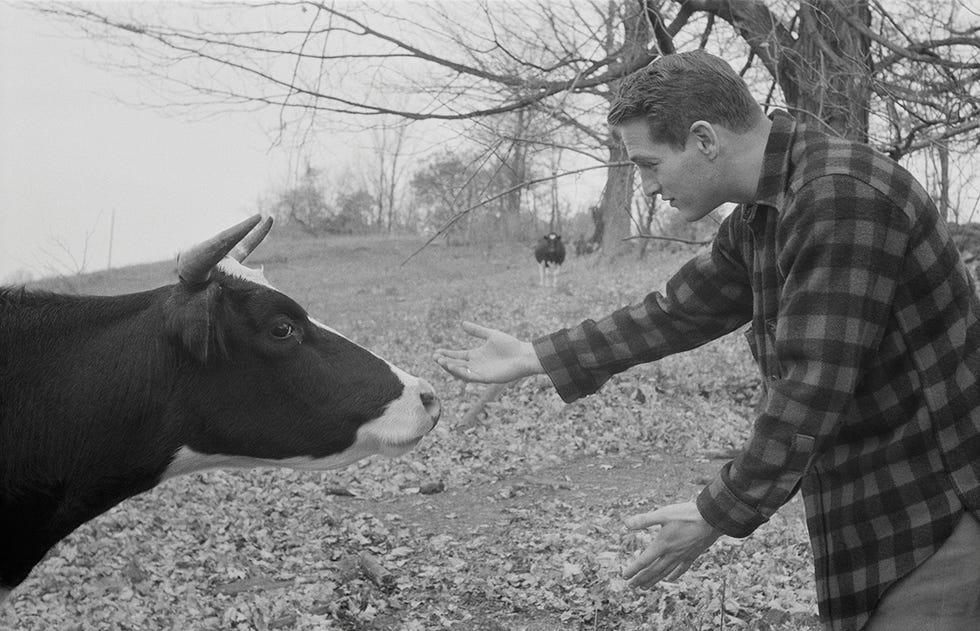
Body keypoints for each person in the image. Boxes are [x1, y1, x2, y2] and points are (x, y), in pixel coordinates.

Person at [433, 50, 980, 631]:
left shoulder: (839, 196)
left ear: (703, 139)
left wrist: (715, 512)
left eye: (648, 164)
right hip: (870, 503)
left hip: (940, 499)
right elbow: (677, 313)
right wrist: (536, 356)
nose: (645, 188)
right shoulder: (762, 212)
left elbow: (811, 387)